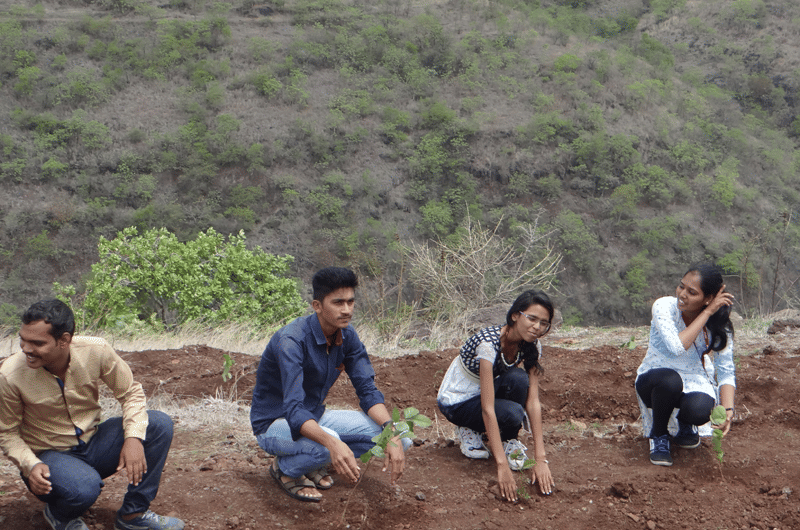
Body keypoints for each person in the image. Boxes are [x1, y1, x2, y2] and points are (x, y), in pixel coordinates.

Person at [0, 299, 184, 530]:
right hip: (49, 457)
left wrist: (133, 438)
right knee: (84, 488)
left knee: (159, 424)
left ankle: (133, 515)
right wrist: (30, 464)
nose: (26, 348)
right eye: (23, 340)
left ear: (64, 340)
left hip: (94, 443)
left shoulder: (95, 351)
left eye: (37, 343)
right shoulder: (10, 375)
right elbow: (7, 433)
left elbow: (131, 394)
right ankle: (61, 516)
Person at [250, 266, 411, 502]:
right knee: (327, 444)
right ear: (317, 306)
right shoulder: (292, 341)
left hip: (313, 415)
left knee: (402, 436)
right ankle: (286, 470)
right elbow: (293, 409)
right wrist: (333, 443)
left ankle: (314, 460)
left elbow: (367, 391)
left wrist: (391, 431)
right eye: (338, 303)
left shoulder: (347, 335)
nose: (346, 310)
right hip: (274, 423)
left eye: (350, 302)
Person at [437, 290, 556, 502]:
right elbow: (488, 408)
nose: (537, 327)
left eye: (543, 323)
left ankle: (509, 440)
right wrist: (501, 466)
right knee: (513, 412)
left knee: (520, 379)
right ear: (515, 316)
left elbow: (534, 402)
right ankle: (468, 427)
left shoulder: (532, 345)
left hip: (486, 391)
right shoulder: (488, 344)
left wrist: (541, 459)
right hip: (457, 402)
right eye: (532, 318)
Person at [635, 262, 736, 466]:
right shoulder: (664, 306)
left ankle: (685, 424)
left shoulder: (718, 327)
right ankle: (659, 434)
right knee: (670, 381)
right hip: (654, 378)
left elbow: (725, 371)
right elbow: (676, 347)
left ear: (708, 299)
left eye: (692, 292)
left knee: (701, 408)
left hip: (692, 380)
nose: (682, 294)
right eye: (682, 287)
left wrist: (727, 409)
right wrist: (706, 313)